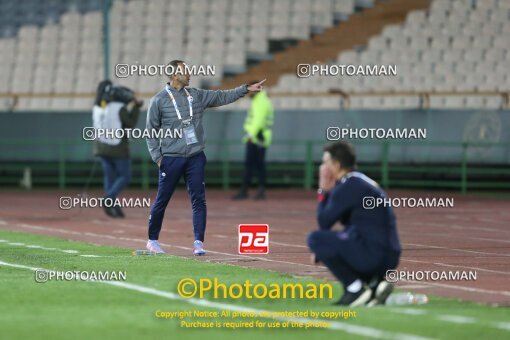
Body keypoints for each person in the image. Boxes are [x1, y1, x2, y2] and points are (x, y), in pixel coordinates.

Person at [145, 59, 266, 255]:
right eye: (185, 71)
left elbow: (222, 96)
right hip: (171, 157)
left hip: (195, 156)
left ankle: (198, 242)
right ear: (174, 75)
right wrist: (158, 158)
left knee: (199, 200)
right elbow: (150, 131)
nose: (190, 73)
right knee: (162, 200)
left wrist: (245, 89)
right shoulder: (159, 100)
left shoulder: (197, 95)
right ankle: (152, 240)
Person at [307, 141, 401, 306]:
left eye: (325, 163)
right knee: (347, 235)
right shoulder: (362, 182)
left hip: (373, 254)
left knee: (316, 239)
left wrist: (323, 189)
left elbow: (324, 221)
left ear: (336, 165)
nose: (323, 168)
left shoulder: (347, 186)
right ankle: (374, 284)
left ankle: (355, 288)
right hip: (389, 255)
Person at [93, 80, 143, 218]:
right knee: (125, 176)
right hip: (117, 147)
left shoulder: (97, 107)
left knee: (110, 177)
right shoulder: (118, 107)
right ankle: (108, 199)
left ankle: (113, 207)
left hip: (100, 147)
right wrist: (136, 107)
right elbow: (130, 124)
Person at [232, 81, 273, 200]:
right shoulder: (261, 100)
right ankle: (255, 190)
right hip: (259, 136)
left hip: (257, 136)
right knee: (257, 164)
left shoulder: (260, 101)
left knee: (253, 165)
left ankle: (248, 191)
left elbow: (258, 121)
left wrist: (251, 135)